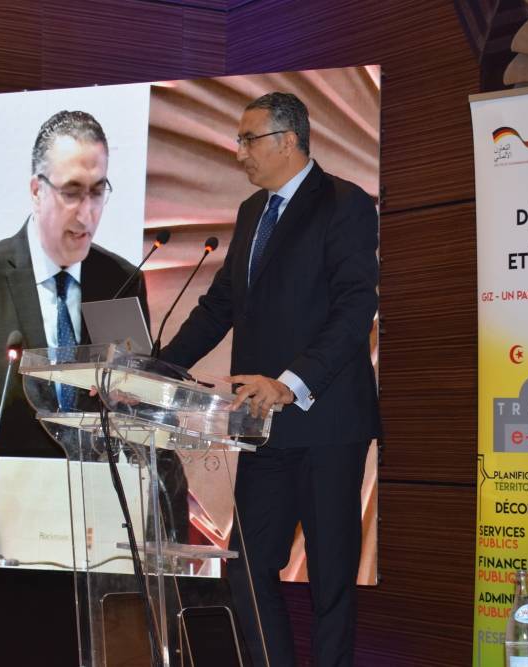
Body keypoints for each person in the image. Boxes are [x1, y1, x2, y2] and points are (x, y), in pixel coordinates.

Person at [159, 93, 381, 667]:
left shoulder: (345, 204)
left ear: (287, 140)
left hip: (326, 423)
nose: (239, 152)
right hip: (260, 427)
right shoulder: (252, 211)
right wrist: (157, 367)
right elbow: (219, 307)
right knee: (248, 569)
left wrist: (290, 381)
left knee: (331, 580)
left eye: (248, 139)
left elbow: (355, 309)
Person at [0, 110, 148, 564]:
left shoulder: (120, 283)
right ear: (37, 190)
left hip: (96, 547)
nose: (88, 212)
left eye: (98, 191)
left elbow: (139, 421)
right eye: (72, 192)